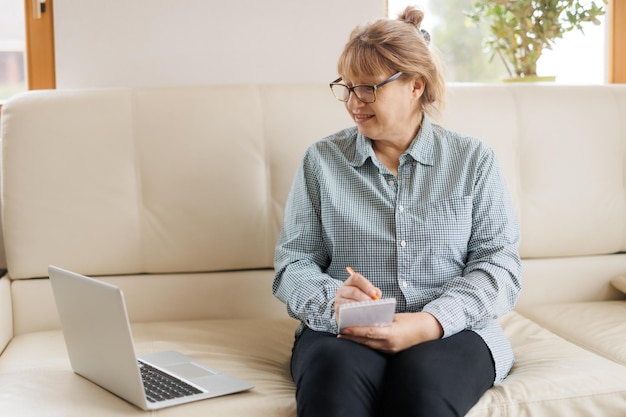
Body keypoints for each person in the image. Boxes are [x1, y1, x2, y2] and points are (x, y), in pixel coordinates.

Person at [273, 6, 521, 417]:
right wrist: (334, 302)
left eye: (368, 88)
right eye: (347, 87)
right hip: (343, 334)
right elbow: (293, 265)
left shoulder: (473, 160)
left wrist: (429, 323)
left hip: (451, 332)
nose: (354, 102)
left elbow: (500, 267)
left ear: (415, 86)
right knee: (332, 389)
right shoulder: (321, 161)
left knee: (423, 392)